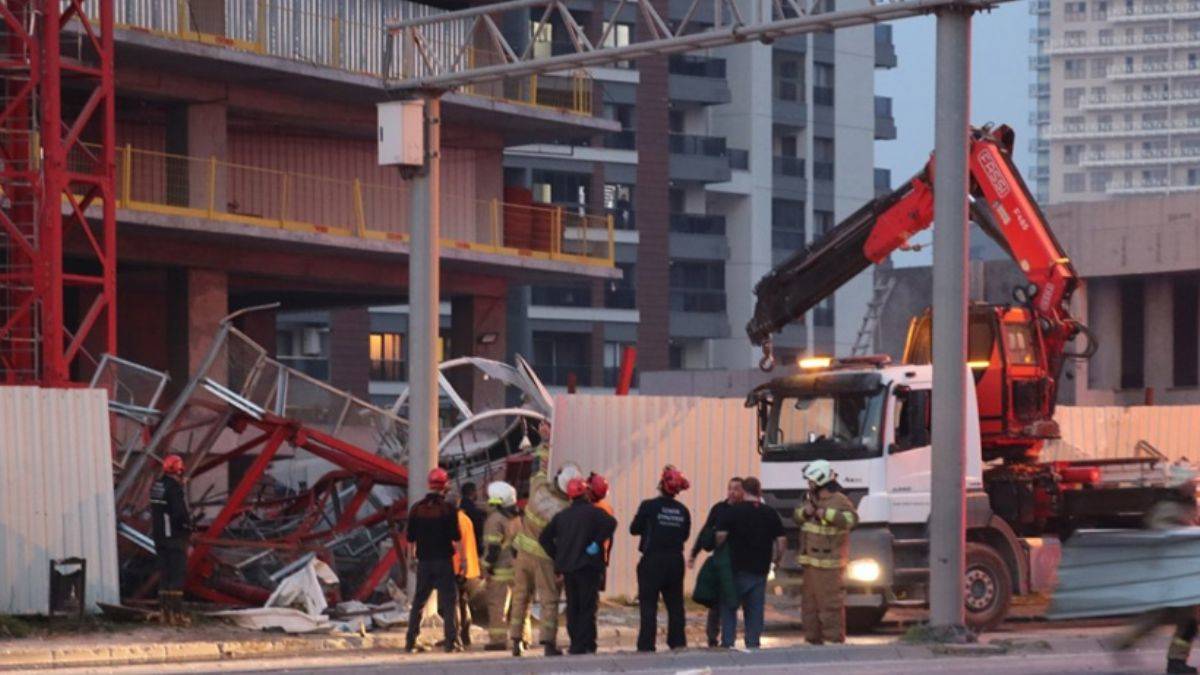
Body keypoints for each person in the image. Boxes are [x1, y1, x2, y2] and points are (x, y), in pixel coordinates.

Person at [1112, 466, 1199, 674]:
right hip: (1172, 573)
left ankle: (1173, 661)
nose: (1194, 485)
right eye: (1190, 482)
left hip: (1185, 572)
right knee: (1179, 618)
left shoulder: (1187, 506)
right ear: (1180, 484)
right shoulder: (1167, 508)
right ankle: (1173, 662)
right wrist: (1190, 532)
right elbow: (1162, 534)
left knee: (1171, 616)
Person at [510, 461, 582, 656]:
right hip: (545, 559)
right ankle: (548, 643)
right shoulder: (564, 509)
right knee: (549, 600)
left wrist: (544, 441)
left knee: (520, 597)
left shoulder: (538, 488)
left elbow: (539, 468)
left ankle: (517, 640)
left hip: (523, 554)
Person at [539, 477, 617, 655]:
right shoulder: (594, 513)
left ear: (569, 496)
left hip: (568, 569)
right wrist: (597, 542)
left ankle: (577, 643)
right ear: (586, 493)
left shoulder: (562, 516)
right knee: (587, 607)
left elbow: (544, 538)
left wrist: (558, 556)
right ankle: (585, 644)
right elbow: (611, 524)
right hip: (588, 567)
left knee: (573, 606)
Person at [715, 476, 785, 649]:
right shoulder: (769, 512)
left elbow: (720, 536)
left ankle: (728, 642)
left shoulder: (732, 512)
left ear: (744, 491)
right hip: (760, 569)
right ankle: (753, 642)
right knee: (754, 609)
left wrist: (719, 549)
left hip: (735, 568)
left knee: (730, 606)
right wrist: (777, 559)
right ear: (759, 491)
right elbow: (781, 540)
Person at [794, 459, 859, 645]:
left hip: (829, 564)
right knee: (810, 606)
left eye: (811, 481)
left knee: (830, 605)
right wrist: (805, 512)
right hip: (811, 563)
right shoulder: (811, 499)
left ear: (820, 479)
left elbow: (851, 520)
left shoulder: (839, 500)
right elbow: (797, 517)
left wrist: (826, 514)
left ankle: (833, 641)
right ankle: (812, 639)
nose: (809, 484)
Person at [630, 466, 692, 652]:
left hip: (652, 560)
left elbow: (634, 529)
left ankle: (647, 644)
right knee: (675, 605)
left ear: (661, 484)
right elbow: (685, 535)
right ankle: (677, 642)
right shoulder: (683, 511)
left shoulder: (649, 506)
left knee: (648, 605)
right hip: (675, 561)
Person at [405, 468, 462, 653]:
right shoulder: (448, 509)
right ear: (444, 485)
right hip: (443, 561)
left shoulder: (417, 508)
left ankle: (411, 641)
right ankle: (451, 642)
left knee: (419, 601)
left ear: (429, 484)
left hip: (424, 562)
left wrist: (411, 559)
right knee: (449, 602)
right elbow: (456, 536)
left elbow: (410, 539)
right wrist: (462, 562)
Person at [689, 477, 744, 647]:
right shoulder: (719, 509)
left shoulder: (745, 510)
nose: (732, 492)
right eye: (730, 488)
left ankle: (731, 637)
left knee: (732, 600)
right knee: (717, 602)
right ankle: (712, 636)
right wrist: (694, 553)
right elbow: (706, 530)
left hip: (739, 561)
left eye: (736, 489)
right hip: (720, 559)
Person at [150, 454, 193, 626]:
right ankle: (176, 615)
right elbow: (179, 514)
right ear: (179, 469)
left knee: (165, 575)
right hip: (174, 538)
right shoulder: (174, 489)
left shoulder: (156, 486)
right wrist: (188, 529)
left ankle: (164, 614)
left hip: (159, 536)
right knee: (177, 575)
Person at [481, 481, 521, 651]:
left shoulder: (495, 520)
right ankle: (522, 637)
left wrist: (485, 567)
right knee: (519, 605)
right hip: (516, 568)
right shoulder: (516, 518)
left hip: (500, 571)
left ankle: (498, 639)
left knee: (497, 605)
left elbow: (493, 548)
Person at [449, 489, 484, 648]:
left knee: (454, 602)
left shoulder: (455, 520)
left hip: (457, 566)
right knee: (463, 601)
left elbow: (458, 543)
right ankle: (465, 635)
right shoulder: (466, 519)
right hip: (469, 566)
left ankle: (456, 636)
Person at [460, 482, 487, 555]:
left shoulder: (461, 507)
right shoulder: (474, 511)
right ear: (473, 492)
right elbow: (479, 529)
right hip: (474, 545)